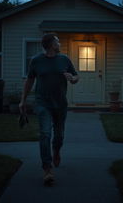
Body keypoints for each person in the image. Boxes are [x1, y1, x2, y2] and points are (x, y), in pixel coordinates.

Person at [19, 33, 79, 184]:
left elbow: (76, 76)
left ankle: (56, 151)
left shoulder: (64, 59)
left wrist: (73, 79)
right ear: (52, 44)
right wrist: (22, 101)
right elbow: (30, 80)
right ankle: (47, 168)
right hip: (42, 103)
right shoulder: (36, 61)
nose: (59, 44)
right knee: (45, 134)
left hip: (60, 104)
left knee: (59, 136)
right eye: (58, 41)